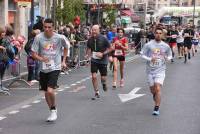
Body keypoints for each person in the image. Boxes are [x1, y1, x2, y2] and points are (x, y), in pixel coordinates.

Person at [31, 18, 68, 122]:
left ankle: (54, 108)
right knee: (46, 92)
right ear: (43, 27)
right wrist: (41, 58)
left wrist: (63, 61)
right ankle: (52, 110)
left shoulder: (59, 37)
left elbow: (66, 47)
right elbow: (33, 53)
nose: (47, 29)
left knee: (50, 90)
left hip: (55, 67)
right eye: (45, 27)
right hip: (43, 68)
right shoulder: (38, 37)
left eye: (49, 27)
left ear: (53, 28)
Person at [140, 27, 172, 116]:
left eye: (160, 33)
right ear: (154, 34)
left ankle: (156, 107)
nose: (158, 34)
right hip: (150, 71)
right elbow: (142, 54)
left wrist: (167, 58)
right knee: (153, 90)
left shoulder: (166, 46)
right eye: (156, 33)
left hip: (160, 70)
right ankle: (155, 95)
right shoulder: (148, 44)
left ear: (162, 34)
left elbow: (170, 55)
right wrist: (150, 59)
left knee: (157, 88)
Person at [85, 25, 112, 100]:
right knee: (94, 76)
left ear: (98, 31)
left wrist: (103, 54)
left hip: (103, 60)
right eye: (92, 30)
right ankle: (96, 92)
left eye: (95, 30)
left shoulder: (104, 38)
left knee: (103, 78)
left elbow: (110, 48)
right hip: (94, 60)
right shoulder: (90, 40)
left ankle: (104, 84)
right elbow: (89, 49)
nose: (93, 31)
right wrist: (87, 56)